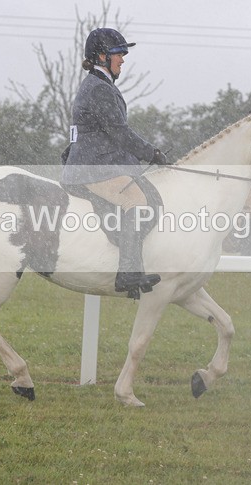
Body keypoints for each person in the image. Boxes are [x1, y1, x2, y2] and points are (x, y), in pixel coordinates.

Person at [60, 28, 169, 299]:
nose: (122, 59)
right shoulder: (99, 88)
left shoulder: (100, 84)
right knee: (137, 202)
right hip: (93, 168)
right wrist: (151, 152)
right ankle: (128, 273)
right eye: (118, 54)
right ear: (101, 57)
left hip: (97, 163)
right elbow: (119, 132)